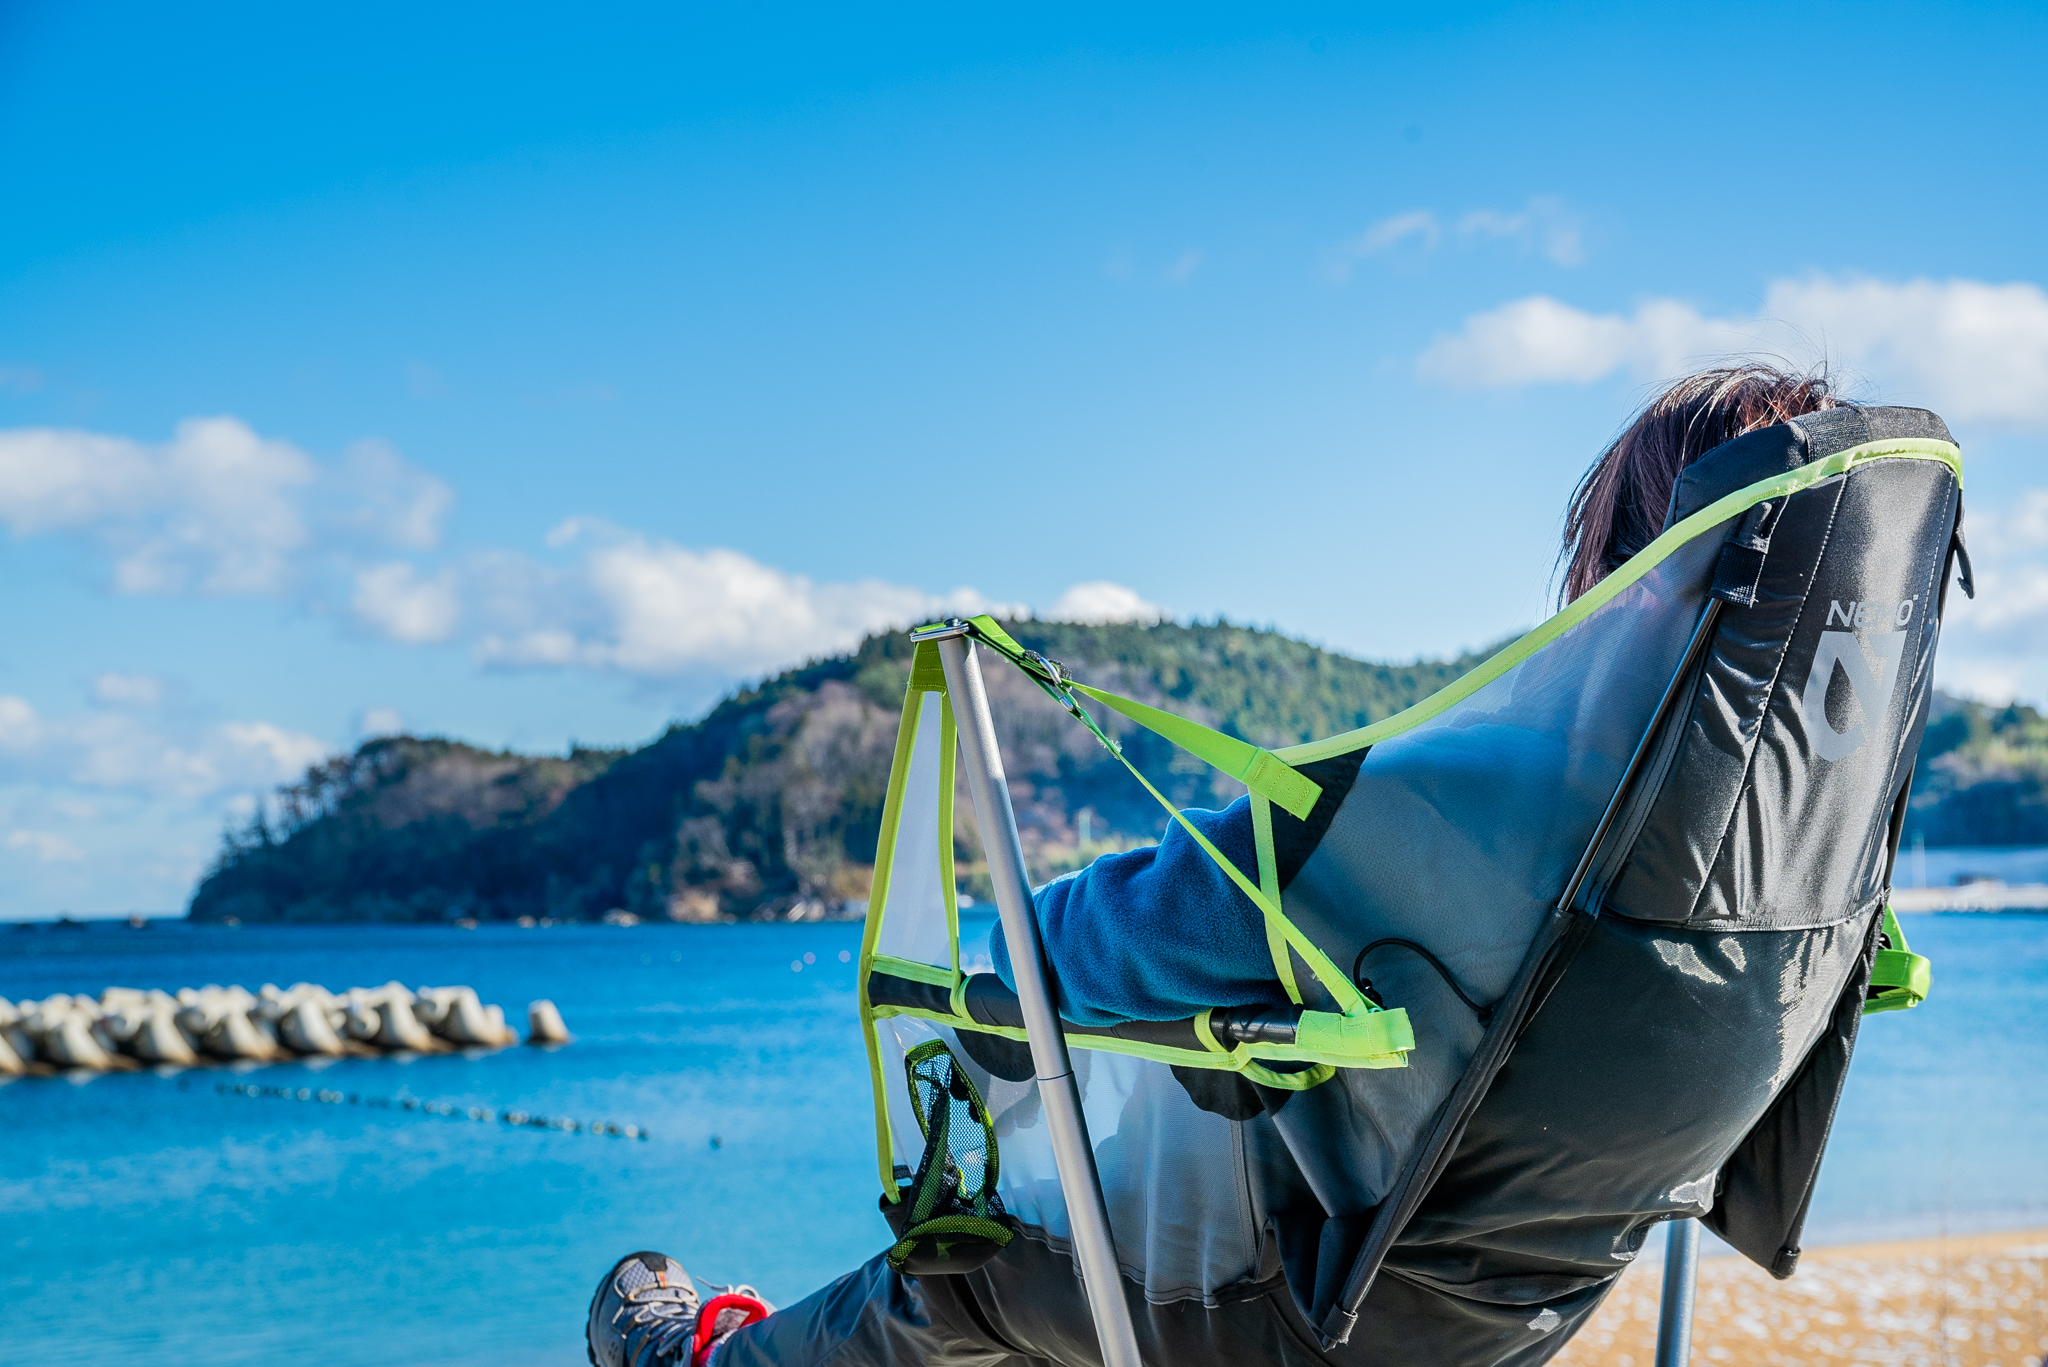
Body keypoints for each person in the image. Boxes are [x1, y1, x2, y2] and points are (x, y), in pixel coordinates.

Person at [586, 364, 1853, 1367]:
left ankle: (698, 1359)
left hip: (1314, 1311)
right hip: (1526, 1312)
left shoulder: (1479, 799)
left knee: (968, 1263)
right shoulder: (1813, 858)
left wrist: (996, 1027)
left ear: (1630, 568)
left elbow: (1060, 955)